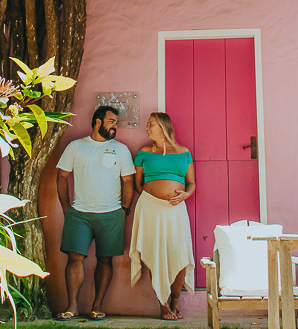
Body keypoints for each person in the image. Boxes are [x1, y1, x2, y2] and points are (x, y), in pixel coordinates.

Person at [55, 106, 135, 320]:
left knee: (105, 260)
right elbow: (62, 176)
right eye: (111, 121)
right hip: (79, 213)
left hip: (111, 214)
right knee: (74, 258)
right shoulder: (76, 147)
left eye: (116, 122)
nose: (115, 126)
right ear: (98, 122)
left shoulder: (121, 149)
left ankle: (97, 305)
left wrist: (124, 210)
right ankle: (71, 306)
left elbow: (128, 181)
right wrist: (66, 208)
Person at [129, 112, 196, 320]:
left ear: (163, 126)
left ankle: (175, 300)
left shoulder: (184, 152)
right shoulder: (144, 152)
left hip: (175, 209)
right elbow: (137, 183)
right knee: (154, 252)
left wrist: (185, 195)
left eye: (151, 125)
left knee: (179, 251)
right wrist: (152, 198)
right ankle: (163, 303)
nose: (147, 128)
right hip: (150, 208)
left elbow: (192, 183)